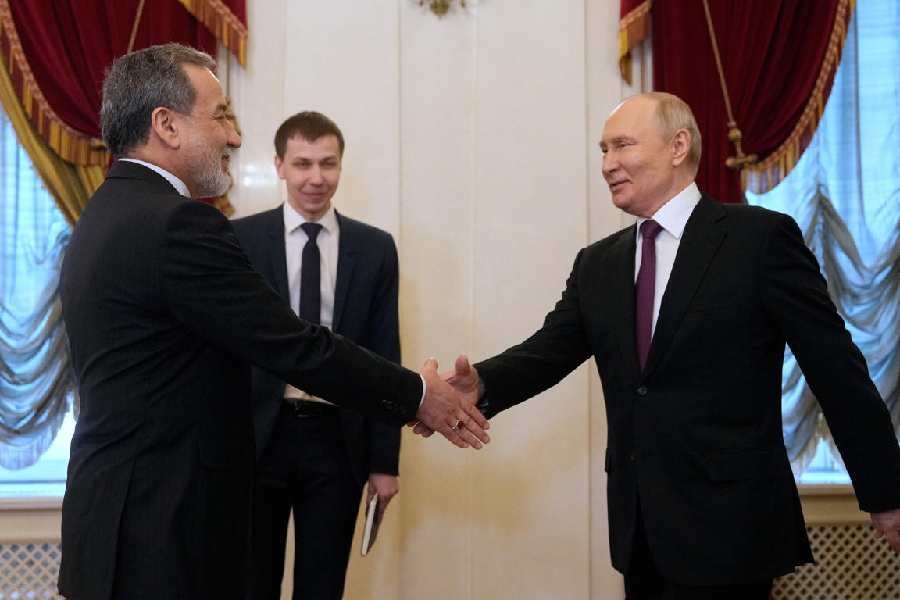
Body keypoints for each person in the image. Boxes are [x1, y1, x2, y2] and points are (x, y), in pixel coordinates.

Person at [419, 92, 900, 599]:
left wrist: (885, 491)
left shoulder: (758, 239)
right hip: (640, 531)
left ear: (678, 146)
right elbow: (549, 351)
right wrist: (483, 383)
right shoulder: (598, 263)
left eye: (622, 145)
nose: (607, 164)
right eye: (602, 150)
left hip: (731, 526)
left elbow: (835, 369)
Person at [57, 43, 488, 600]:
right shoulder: (179, 225)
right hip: (161, 529)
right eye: (221, 115)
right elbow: (295, 347)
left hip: (116, 519)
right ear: (165, 124)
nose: (234, 137)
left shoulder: (106, 210)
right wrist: (416, 392)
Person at [231, 111, 402, 599]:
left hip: (337, 441)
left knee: (323, 587)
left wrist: (385, 461)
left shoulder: (374, 248)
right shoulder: (239, 240)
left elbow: (385, 354)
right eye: (303, 164)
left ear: (341, 167)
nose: (316, 178)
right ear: (279, 165)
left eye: (328, 164)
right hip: (257, 439)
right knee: (250, 583)